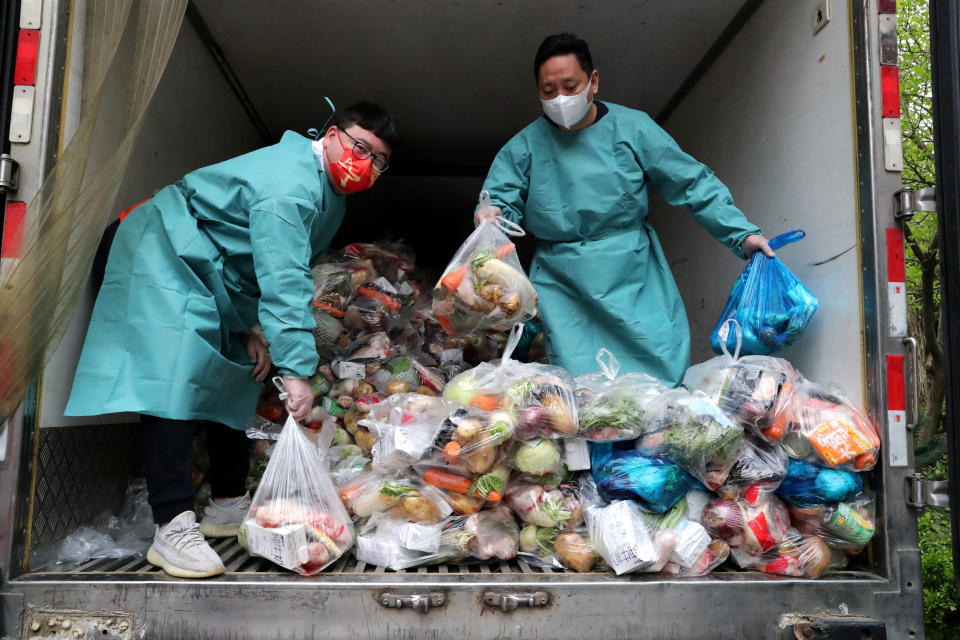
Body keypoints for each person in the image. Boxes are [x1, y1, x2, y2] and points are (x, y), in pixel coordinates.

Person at [65, 102, 398, 578]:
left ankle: (226, 505)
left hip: (200, 266)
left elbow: (250, 263)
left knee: (234, 370)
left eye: (378, 159)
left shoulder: (327, 193)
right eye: (359, 146)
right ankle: (172, 527)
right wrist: (296, 369)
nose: (365, 161)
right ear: (330, 133)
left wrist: (249, 329)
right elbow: (283, 280)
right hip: (155, 250)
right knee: (172, 383)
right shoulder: (292, 188)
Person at [476, 33, 773, 383]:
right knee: (582, 388)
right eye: (548, 90)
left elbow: (692, 182)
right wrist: (490, 218)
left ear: (594, 81)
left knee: (657, 369)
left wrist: (741, 234)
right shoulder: (524, 146)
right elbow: (498, 201)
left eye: (571, 87)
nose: (560, 99)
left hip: (632, 272)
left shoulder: (633, 128)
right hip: (562, 280)